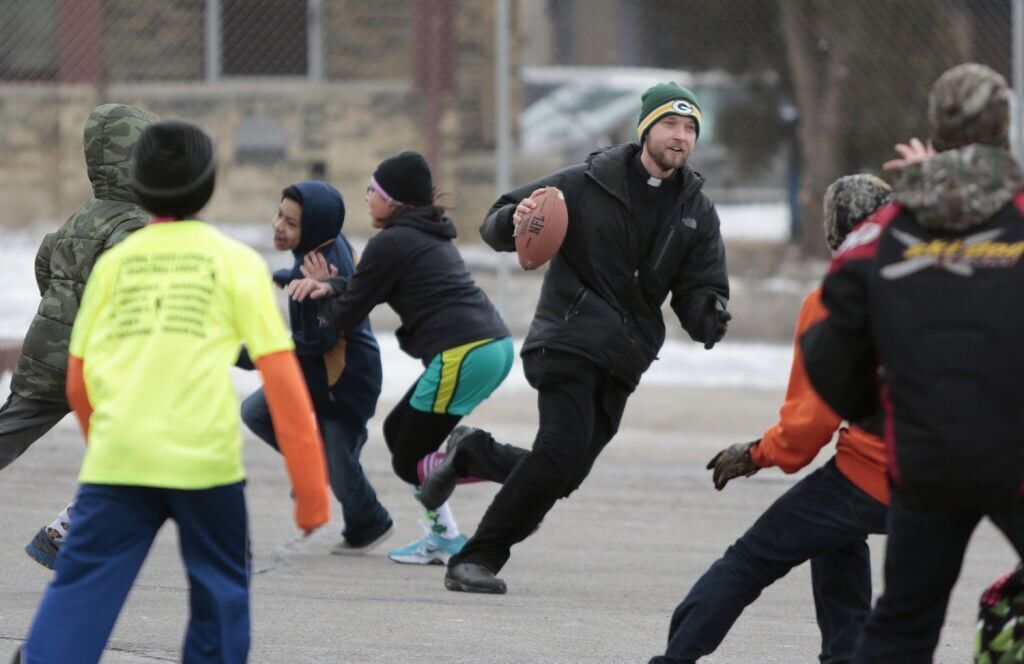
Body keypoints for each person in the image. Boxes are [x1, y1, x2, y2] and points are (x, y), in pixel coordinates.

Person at [16, 121, 329, 663]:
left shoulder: (116, 263)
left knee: (81, 593)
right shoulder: (235, 263)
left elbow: (79, 379)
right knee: (220, 596)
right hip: (203, 467)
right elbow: (282, 380)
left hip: (119, 463)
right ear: (208, 187)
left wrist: (108, 444)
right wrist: (311, 489)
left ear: (138, 186)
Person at [418, 81, 731, 594]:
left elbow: (701, 287)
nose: (680, 137)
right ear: (646, 129)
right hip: (566, 338)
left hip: (624, 357)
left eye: (689, 128)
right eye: (670, 125)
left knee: (563, 474)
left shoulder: (696, 209)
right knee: (558, 453)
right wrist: (512, 223)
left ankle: (473, 453)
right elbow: (498, 223)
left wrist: (709, 315)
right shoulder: (587, 181)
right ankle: (475, 559)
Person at [800, 63, 1024, 663]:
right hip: (1015, 451)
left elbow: (826, 348)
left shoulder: (881, 231)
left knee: (902, 626)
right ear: (1005, 127)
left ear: (937, 129)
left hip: (925, 458)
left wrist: (884, 415)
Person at [650, 174, 893, 664]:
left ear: (833, 235)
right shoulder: (941, 283)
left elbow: (807, 431)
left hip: (881, 471)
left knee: (751, 558)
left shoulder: (834, 301)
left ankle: (672, 660)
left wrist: (757, 454)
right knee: (833, 531)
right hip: (965, 469)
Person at [290, 151, 513, 565]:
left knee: (409, 457)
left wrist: (318, 295)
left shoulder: (390, 241)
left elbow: (347, 315)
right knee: (400, 433)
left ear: (394, 201)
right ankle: (444, 535)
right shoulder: (420, 234)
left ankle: (515, 467)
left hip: (465, 351)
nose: (367, 198)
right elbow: (363, 285)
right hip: (488, 347)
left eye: (373, 191)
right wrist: (334, 286)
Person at [3, 103, 158, 569]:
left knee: (10, 429)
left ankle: (69, 530)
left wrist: (58, 312)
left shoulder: (82, 217)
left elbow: (44, 262)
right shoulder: (132, 225)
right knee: (132, 446)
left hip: (49, 354)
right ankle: (66, 530)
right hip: (103, 363)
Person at [238, 180, 393, 554]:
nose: (279, 226)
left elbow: (317, 340)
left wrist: (245, 354)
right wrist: (281, 277)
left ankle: (369, 523)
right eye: (280, 214)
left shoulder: (320, 269)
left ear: (316, 228)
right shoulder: (318, 251)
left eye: (291, 223)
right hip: (319, 376)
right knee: (257, 411)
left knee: (342, 470)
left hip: (345, 383)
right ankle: (314, 465)